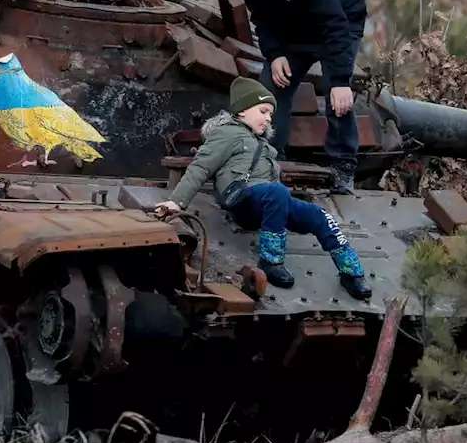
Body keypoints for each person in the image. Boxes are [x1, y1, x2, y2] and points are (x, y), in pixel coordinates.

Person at [154, 77, 372, 300]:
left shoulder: (264, 146)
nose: (268, 118)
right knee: (277, 193)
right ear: (242, 111)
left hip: (270, 202)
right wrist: (177, 202)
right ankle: (271, 261)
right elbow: (200, 166)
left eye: (270, 114)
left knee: (320, 216)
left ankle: (351, 272)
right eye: (263, 111)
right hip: (244, 201)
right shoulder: (226, 134)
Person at [222, 0, 367, 196]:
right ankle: (271, 157)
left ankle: (343, 166)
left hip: (340, 24)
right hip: (295, 30)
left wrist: (339, 81)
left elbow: (335, 25)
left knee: (338, 99)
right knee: (268, 91)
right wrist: (275, 55)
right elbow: (264, 23)